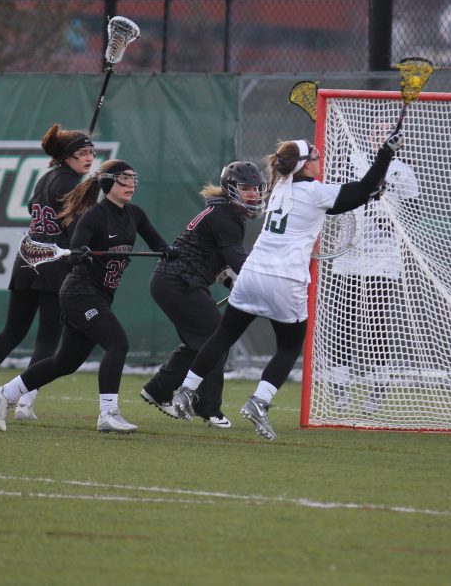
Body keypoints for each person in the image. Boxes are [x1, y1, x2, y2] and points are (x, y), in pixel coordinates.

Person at [172, 133, 405, 441]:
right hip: (286, 280)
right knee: (289, 347)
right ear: (304, 165)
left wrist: (370, 190)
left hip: (252, 273)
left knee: (223, 336)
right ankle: (259, 401)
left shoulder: (280, 186)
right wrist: (385, 155)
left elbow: (353, 196)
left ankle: (186, 390)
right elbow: (359, 190)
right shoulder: (315, 191)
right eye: (315, 157)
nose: (320, 160)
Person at [0, 159, 177, 433]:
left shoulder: (136, 214)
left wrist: (168, 250)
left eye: (133, 179)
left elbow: (158, 243)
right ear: (108, 182)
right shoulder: (93, 215)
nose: (131, 184)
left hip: (101, 295)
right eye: (124, 179)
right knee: (118, 344)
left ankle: (5, 393)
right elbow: (75, 249)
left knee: (66, 362)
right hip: (79, 294)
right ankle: (108, 414)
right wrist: (79, 253)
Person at [0, 124, 95, 420]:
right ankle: (25, 405)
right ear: (66, 156)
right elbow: (78, 229)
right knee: (47, 339)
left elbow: (33, 206)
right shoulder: (73, 184)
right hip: (53, 263)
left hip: (27, 260)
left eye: (91, 152)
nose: (89, 158)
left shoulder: (47, 177)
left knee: (12, 331)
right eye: (82, 153)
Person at [140, 161, 268, 428]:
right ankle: (208, 408)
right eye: (246, 188)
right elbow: (238, 261)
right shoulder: (226, 216)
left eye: (256, 189)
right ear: (230, 188)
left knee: (198, 344)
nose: (253, 194)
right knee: (216, 340)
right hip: (179, 282)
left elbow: (220, 260)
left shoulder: (223, 212)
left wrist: (232, 279)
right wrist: (269, 279)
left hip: (175, 281)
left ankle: (158, 389)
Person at [329, 151, 419, 414]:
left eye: (384, 130)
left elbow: (413, 213)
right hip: (349, 252)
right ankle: (340, 385)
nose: (377, 133)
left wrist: (390, 222)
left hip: (382, 256)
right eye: (374, 129)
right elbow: (333, 198)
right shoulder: (350, 161)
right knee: (344, 319)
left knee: (376, 322)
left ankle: (380, 383)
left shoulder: (402, 170)